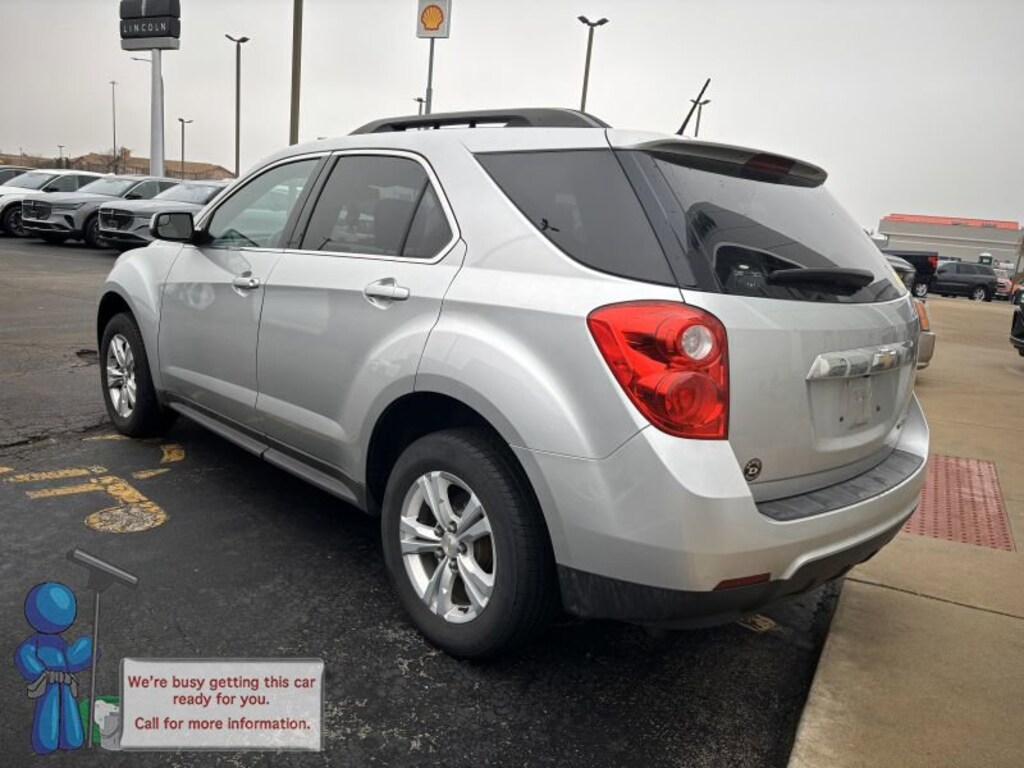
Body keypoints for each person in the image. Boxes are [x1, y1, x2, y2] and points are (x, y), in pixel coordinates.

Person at [15, 582, 94, 754]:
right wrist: (38, 671)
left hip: (64, 681)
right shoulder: (35, 642)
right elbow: (25, 654)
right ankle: (46, 741)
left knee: (69, 708)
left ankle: (72, 738)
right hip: (49, 681)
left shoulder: (60, 643)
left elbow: (70, 657)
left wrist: (86, 650)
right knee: (49, 707)